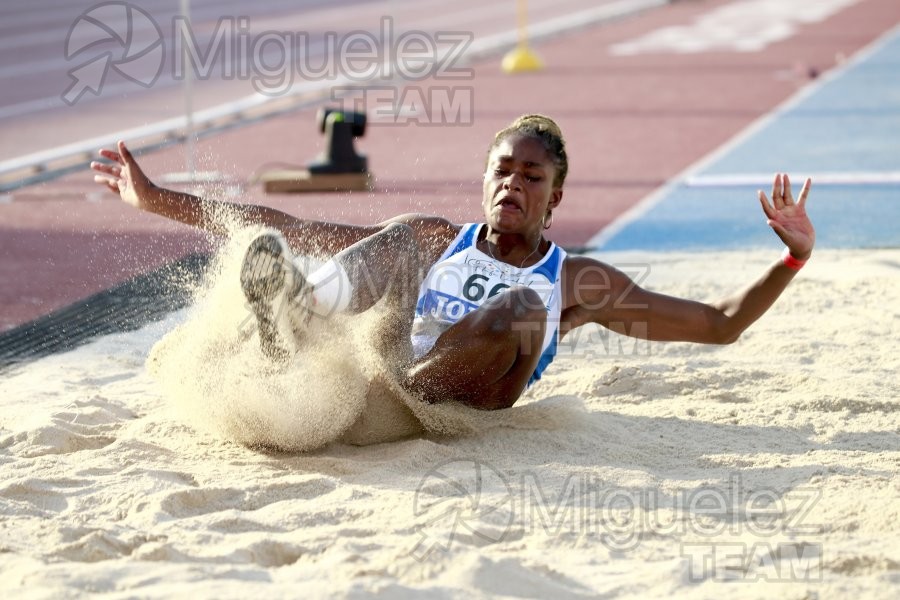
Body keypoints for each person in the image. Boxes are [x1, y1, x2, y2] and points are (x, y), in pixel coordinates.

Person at [91, 114, 815, 411]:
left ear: (554, 199)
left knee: (522, 307)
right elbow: (286, 221)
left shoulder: (576, 280)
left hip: (464, 394)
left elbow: (719, 325)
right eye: (503, 171)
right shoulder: (441, 237)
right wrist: (157, 201)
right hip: (391, 359)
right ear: (485, 180)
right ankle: (293, 317)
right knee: (398, 238)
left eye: (532, 178)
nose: (513, 185)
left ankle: (384, 380)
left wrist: (790, 259)